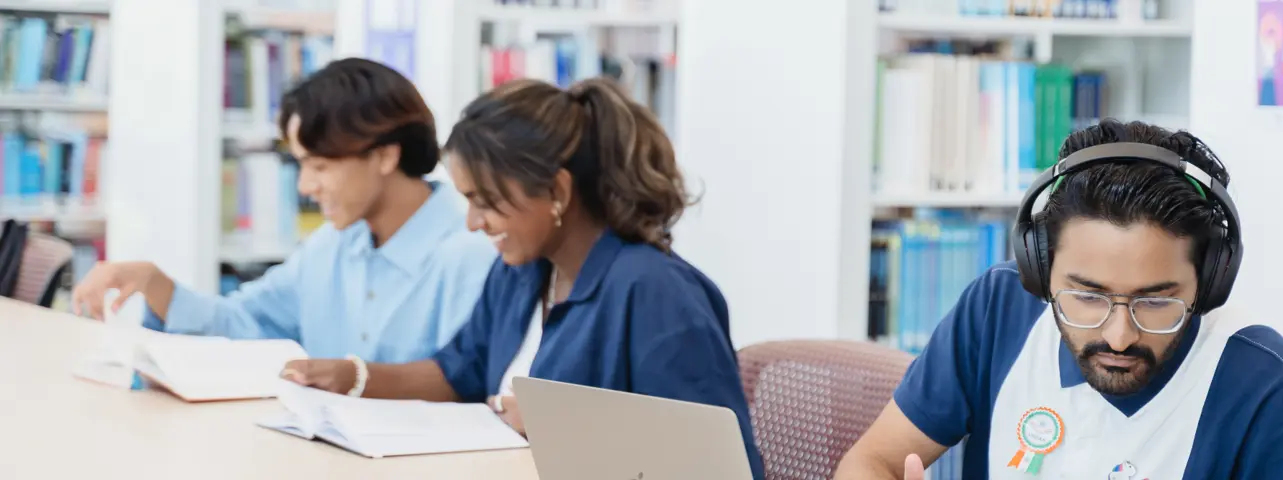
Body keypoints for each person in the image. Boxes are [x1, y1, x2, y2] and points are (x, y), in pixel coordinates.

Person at [279, 77, 766, 479]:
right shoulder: (524, 270)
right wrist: (355, 376)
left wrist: (564, 429)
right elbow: (459, 370)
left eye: (485, 201)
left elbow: (718, 468)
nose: (472, 222)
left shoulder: (657, 293)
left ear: (556, 190)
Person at [834, 120, 1283, 479]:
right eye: (1087, 297)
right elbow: (872, 460)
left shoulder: (1268, 388)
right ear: (1040, 269)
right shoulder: (997, 309)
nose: (1119, 335)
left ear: (1208, 283)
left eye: (1155, 302)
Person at [71, 58, 497, 364]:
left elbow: (464, 390)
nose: (306, 186)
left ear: (385, 157)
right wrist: (154, 283)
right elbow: (244, 322)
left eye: (320, 166)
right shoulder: (331, 246)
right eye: (301, 165)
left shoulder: (469, 255)